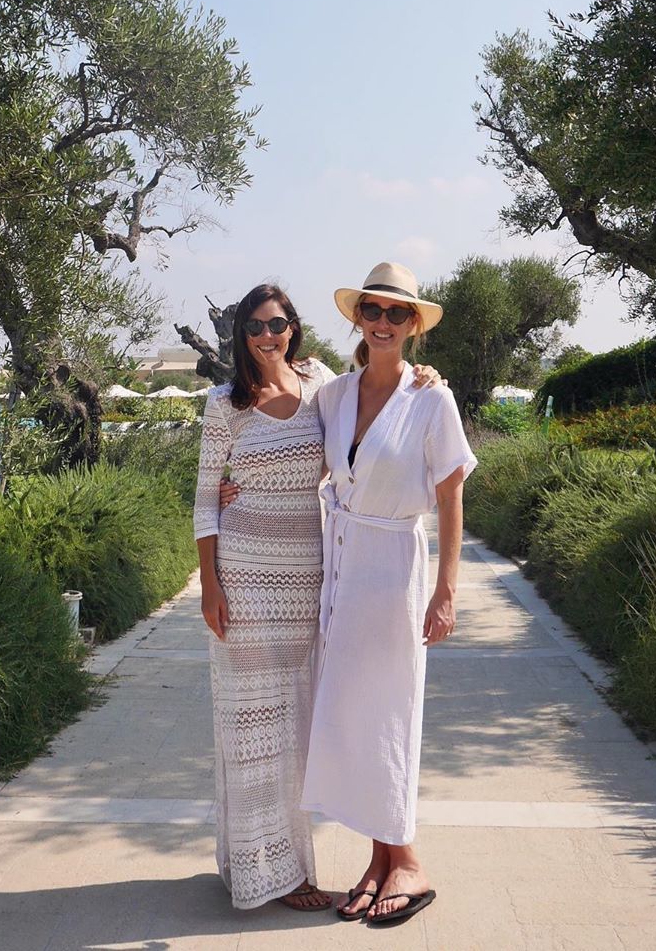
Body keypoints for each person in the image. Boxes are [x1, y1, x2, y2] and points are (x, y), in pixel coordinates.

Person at [193, 282, 439, 912]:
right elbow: (205, 499)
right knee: (251, 727)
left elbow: (371, 418)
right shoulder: (224, 404)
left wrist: (423, 378)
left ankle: (287, 862)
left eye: (276, 324)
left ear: (293, 329)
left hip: (311, 578)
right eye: (254, 327)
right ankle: (265, 873)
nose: (266, 336)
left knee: (297, 729)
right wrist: (210, 583)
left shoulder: (321, 386)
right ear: (241, 336)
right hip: (244, 579)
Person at [300, 261, 476, 926]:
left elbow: (451, 497)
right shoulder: (333, 394)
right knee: (359, 716)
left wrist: (447, 591)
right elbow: (282, 432)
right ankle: (380, 862)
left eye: (396, 313)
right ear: (358, 317)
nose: (382, 322)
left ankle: (408, 862)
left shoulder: (431, 399)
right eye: (372, 310)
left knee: (392, 713)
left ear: (413, 326)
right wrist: (231, 484)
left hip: (395, 569)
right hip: (342, 571)